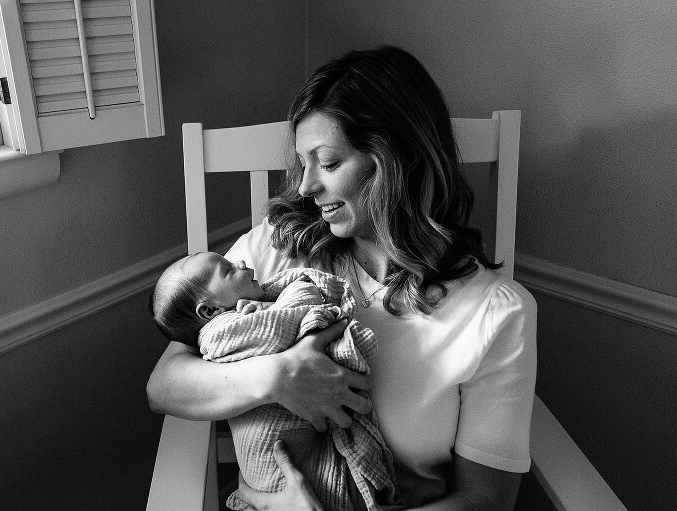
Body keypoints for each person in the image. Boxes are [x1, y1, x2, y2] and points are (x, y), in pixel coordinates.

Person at [147, 45, 537, 510]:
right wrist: (275, 377)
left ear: (398, 161)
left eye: (329, 163)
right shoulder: (269, 254)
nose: (305, 187)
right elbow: (164, 384)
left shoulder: (495, 312)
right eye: (303, 163)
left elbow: (485, 499)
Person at [150, 252, 400, 510]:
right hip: (279, 465)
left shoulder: (238, 300)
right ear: (209, 311)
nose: (240, 262)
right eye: (227, 270)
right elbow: (159, 389)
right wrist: (275, 374)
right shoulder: (221, 331)